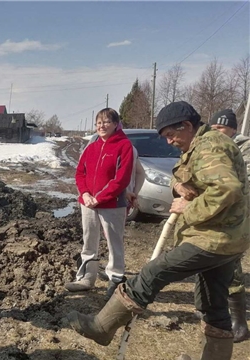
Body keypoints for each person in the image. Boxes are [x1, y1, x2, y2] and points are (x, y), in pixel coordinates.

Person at [68, 101, 249, 360]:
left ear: (186, 125)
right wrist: (180, 187)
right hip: (227, 237)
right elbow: (184, 176)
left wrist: (189, 207)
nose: (169, 142)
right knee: (214, 305)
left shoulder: (211, 146)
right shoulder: (198, 145)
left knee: (154, 272)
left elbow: (226, 190)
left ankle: (103, 327)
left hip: (214, 237)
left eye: (171, 135)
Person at [66, 108, 134, 300]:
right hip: (88, 203)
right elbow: (80, 173)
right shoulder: (92, 147)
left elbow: (122, 179)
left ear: (115, 124)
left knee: (114, 242)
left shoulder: (124, 146)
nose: (101, 126)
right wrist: (86, 194)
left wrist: (101, 197)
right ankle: (87, 277)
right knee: (89, 240)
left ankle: (116, 279)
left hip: (112, 204)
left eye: (106, 122)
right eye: (98, 123)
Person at [208, 108, 250, 343]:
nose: (217, 132)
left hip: (237, 218)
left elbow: (241, 184)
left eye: (222, 128)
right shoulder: (214, 149)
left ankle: (239, 323)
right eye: (214, 128)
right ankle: (215, 311)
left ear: (233, 129)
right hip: (218, 215)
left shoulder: (244, 148)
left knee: (231, 265)